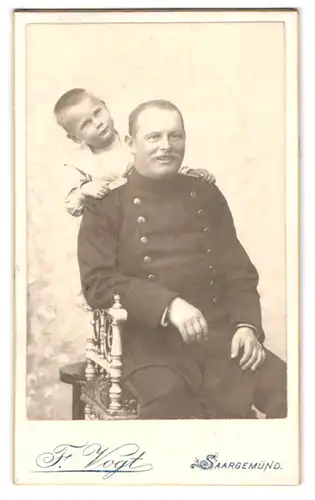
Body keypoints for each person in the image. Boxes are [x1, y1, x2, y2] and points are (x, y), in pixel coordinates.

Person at [77, 99, 287, 419]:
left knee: (289, 389)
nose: (166, 147)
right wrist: (168, 304)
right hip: (148, 342)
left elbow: (239, 272)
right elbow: (98, 283)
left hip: (218, 333)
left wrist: (247, 327)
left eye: (175, 136)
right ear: (131, 144)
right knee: (169, 402)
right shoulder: (105, 203)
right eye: (154, 137)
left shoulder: (205, 194)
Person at [53, 88, 215, 217]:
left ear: (105, 106)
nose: (98, 123)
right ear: (75, 138)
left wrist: (189, 173)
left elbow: (161, 163)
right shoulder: (80, 164)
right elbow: (73, 207)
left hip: (149, 208)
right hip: (115, 222)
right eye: (86, 124)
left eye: (98, 112)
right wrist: (85, 189)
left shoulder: (132, 143)